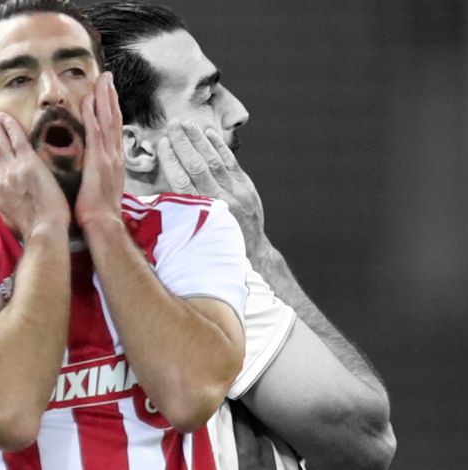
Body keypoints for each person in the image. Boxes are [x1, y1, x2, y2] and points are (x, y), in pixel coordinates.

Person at [0, 0, 258, 468]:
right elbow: (7, 414)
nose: (52, 94)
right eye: (19, 79)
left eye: (74, 71)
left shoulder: (190, 225)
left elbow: (190, 396)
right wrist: (46, 229)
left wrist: (103, 221)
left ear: (108, 98)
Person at [81, 2, 397, 469]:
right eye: (206, 96)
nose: (238, 111)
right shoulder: (184, 264)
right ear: (135, 147)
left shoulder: (10, 274)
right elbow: (365, 439)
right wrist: (257, 251)